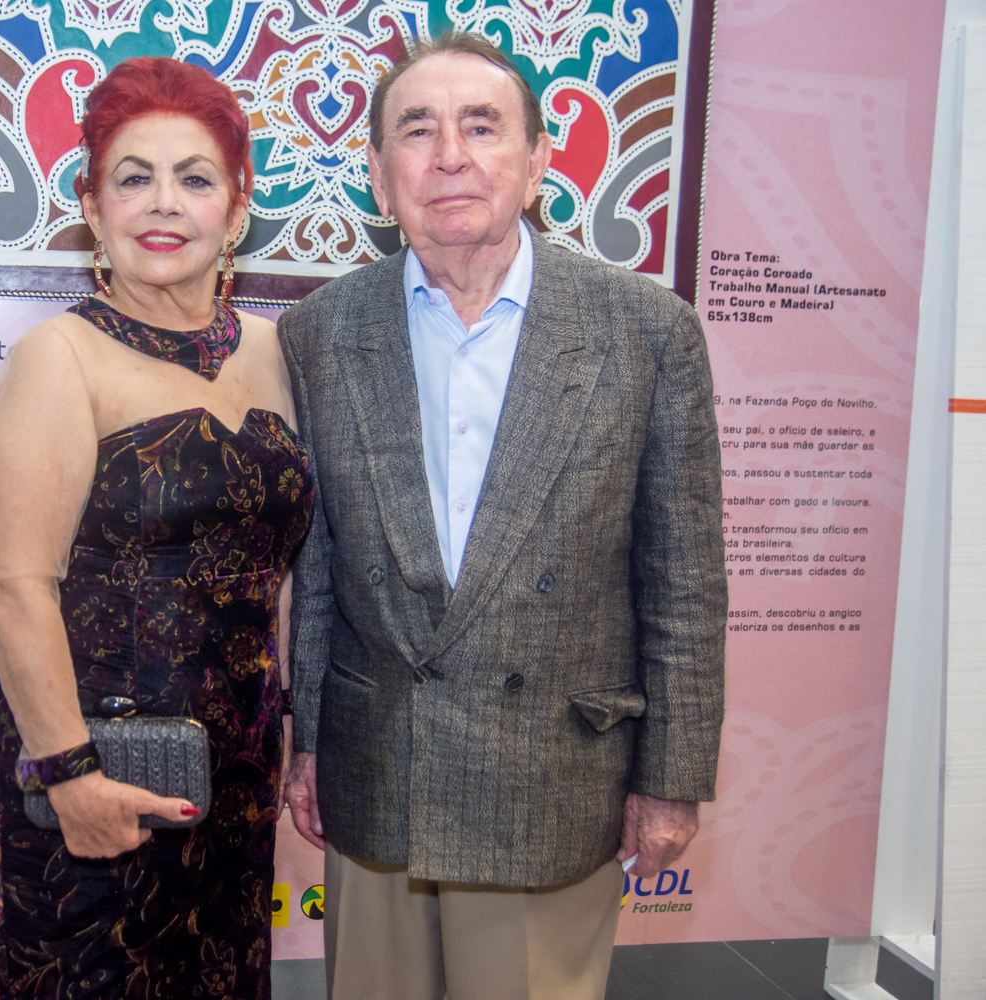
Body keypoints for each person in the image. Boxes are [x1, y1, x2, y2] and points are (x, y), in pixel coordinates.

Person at [278, 32, 726, 1000]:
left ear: (537, 163)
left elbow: (684, 580)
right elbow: (317, 572)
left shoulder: (647, 332)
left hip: (552, 776)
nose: (450, 155)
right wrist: (308, 740)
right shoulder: (320, 331)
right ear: (378, 175)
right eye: (417, 129)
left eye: (482, 126)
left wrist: (672, 776)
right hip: (378, 766)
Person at [0, 57, 313, 1000]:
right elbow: (12, 584)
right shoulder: (59, 357)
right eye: (133, 178)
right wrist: (69, 773)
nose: (164, 203)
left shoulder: (278, 350)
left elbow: (290, 569)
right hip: (93, 755)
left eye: (194, 178)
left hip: (235, 760)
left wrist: (294, 729)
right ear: (93, 205)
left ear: (236, 210)